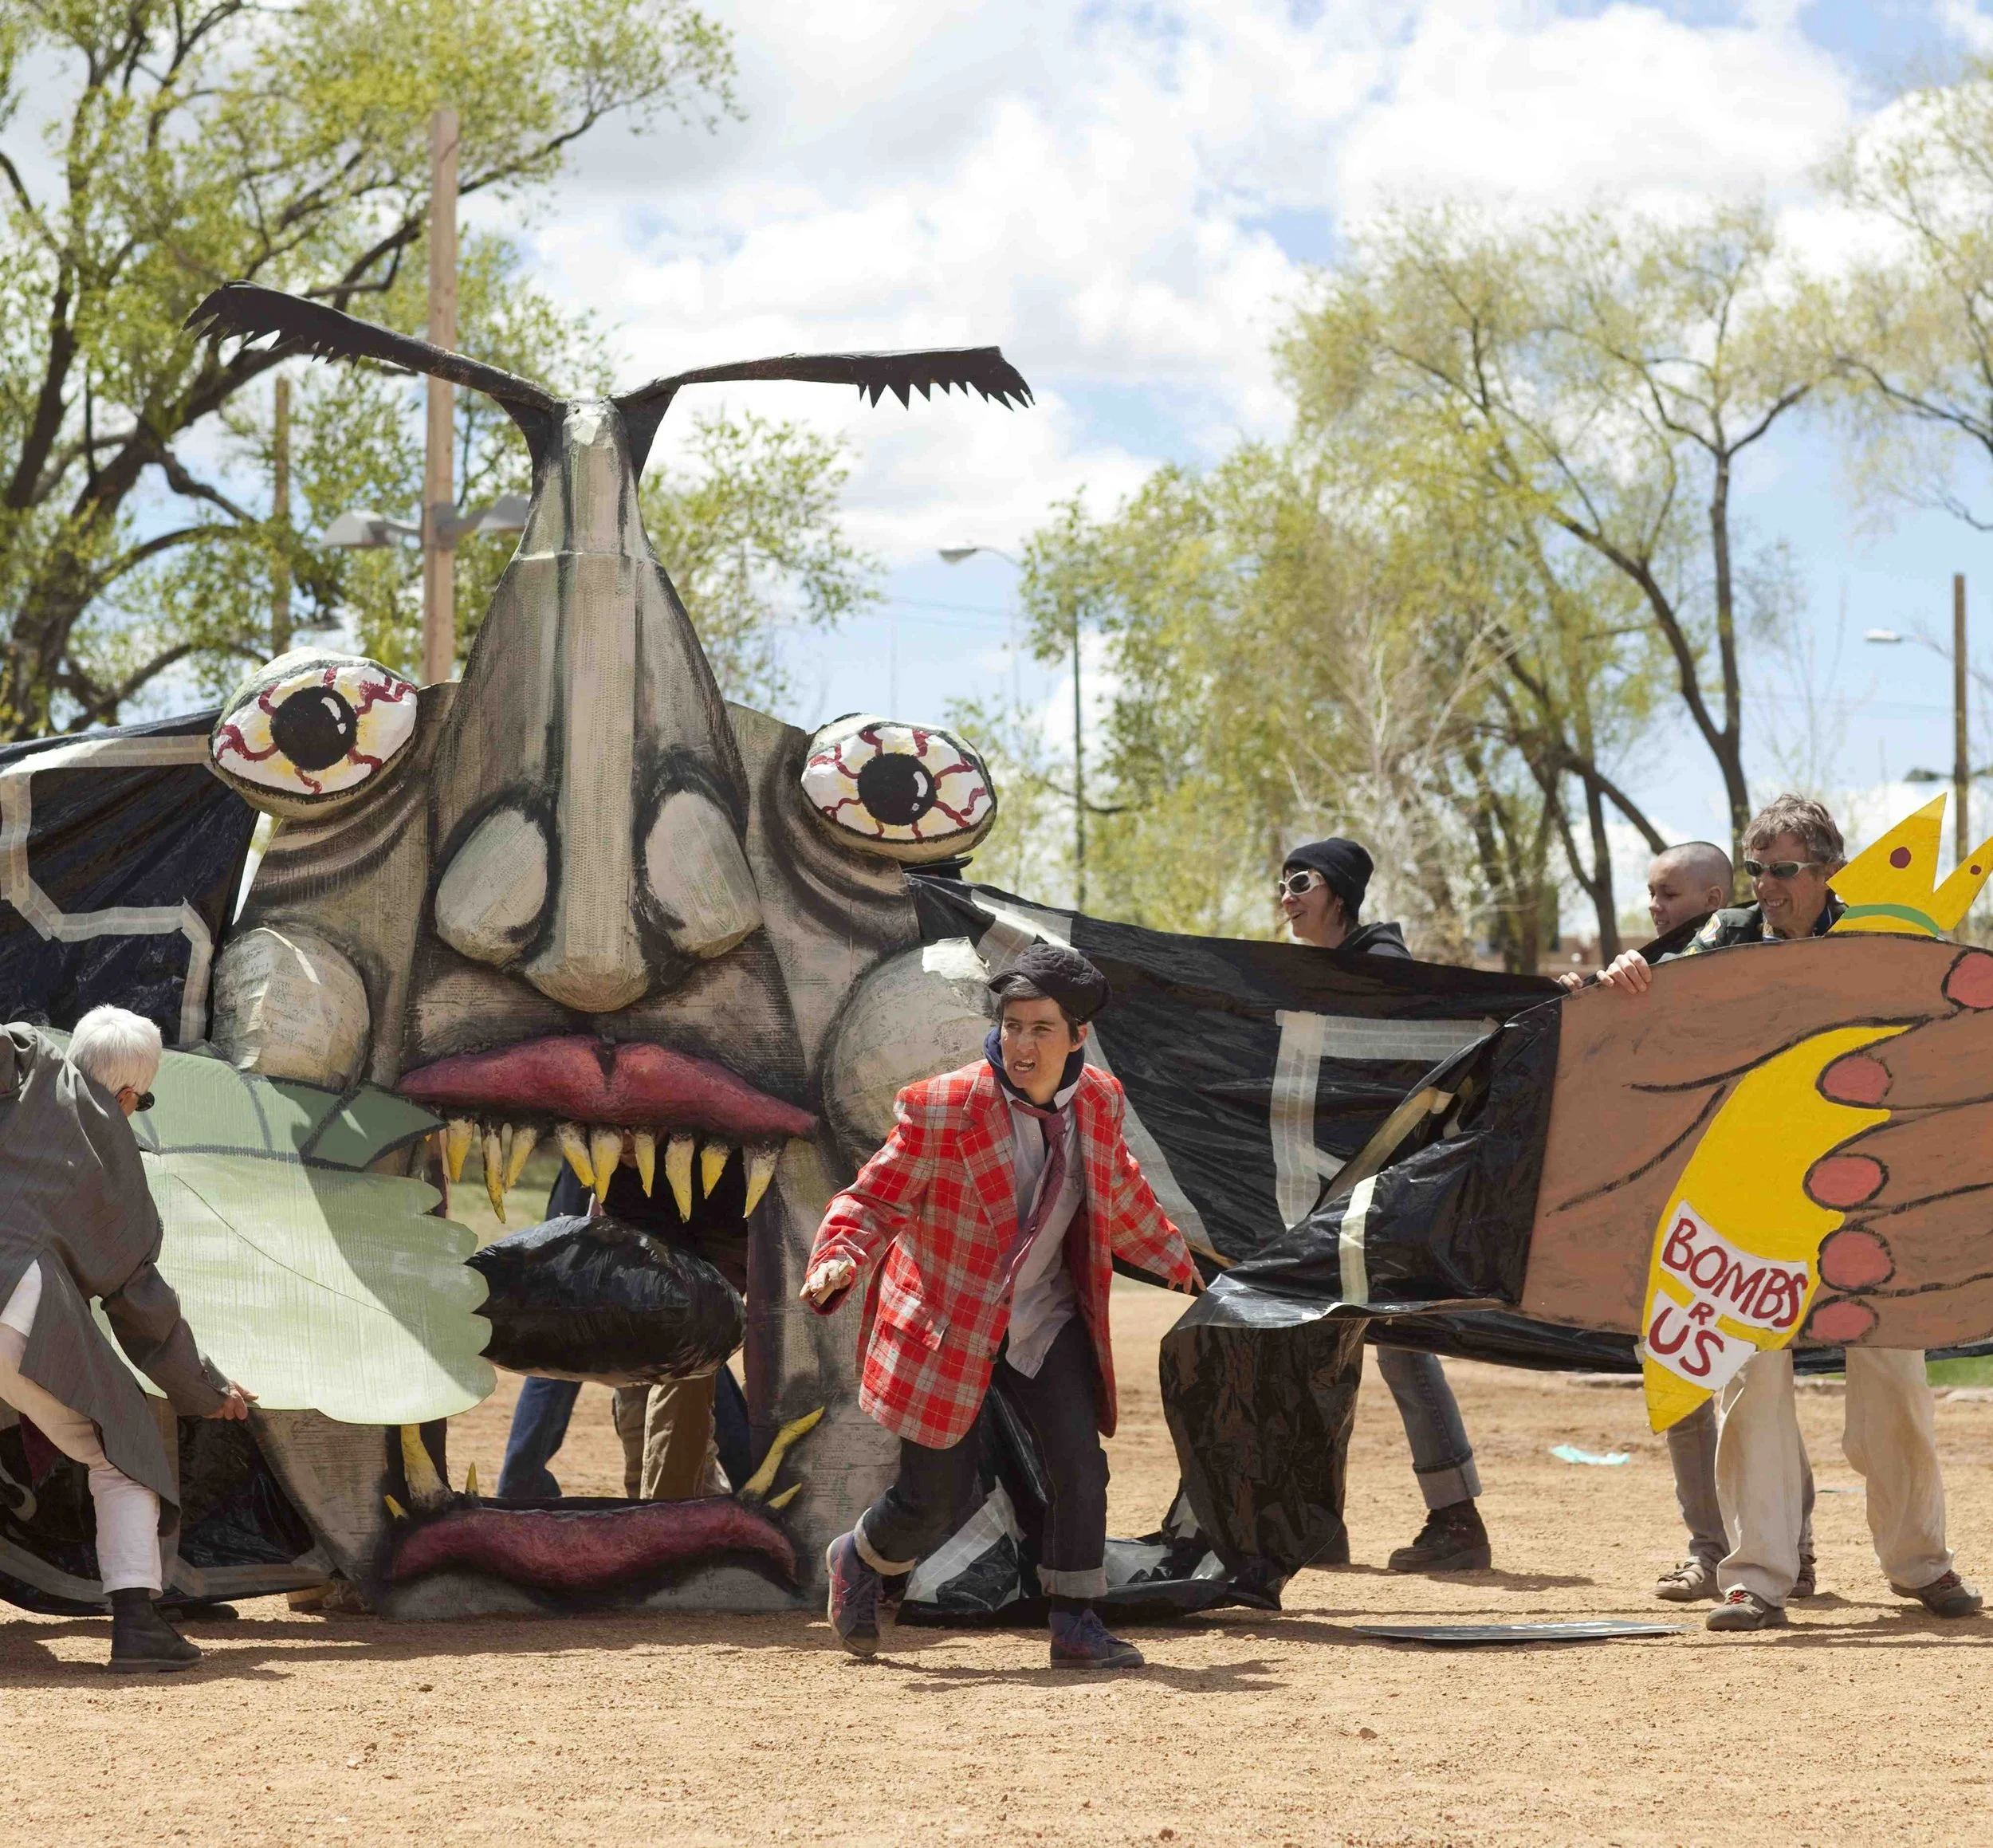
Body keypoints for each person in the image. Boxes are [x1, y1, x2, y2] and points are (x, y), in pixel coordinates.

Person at [1597, 795, 1980, 1632]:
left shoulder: (1883, 933)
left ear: (1829, 872)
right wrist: (1627, 974)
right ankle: (1758, 1576)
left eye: (1784, 870)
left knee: (1894, 1378)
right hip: (1748, 1203)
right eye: (1756, 870)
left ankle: (1921, 1563)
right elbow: (1652, 1009)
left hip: (1868, 1195)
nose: (1765, 887)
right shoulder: (1721, 940)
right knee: (1748, 1377)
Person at [802, 943, 1201, 1669]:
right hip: (948, 1321)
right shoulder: (945, 1107)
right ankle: (858, 1559)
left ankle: (1077, 1623)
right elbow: (872, 1199)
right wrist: (840, 1256)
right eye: (1012, 1026)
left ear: (1078, 1036)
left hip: (1044, 1319)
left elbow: (1122, 1193)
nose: (1020, 1044)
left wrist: (1181, 1264)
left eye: (1041, 1029)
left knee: (1081, 1464)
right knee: (937, 1498)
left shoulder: (1100, 1103)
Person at [1563, 843, 1820, 1602]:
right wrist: (1596, 988)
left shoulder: (1762, 960)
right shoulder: (1652, 975)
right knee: (1680, 1371)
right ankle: (1710, 1550)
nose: (1655, 910)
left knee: (1756, 1385)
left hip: (1751, 1209)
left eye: (1668, 895)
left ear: (1713, 901)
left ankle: (1791, 1548)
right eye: (1650, 895)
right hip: (1671, 1205)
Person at [0, 1006, 255, 1670]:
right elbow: (142, 1309)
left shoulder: (25, 1059)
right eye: (141, 1101)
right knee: (124, 1449)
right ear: (125, 1095)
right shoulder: (123, 1172)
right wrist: (209, 1389)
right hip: (15, 1303)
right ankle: (139, 1625)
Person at [1280, 838, 1490, 1573]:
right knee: (1321, 1344)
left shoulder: (1387, 971)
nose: (1286, 896)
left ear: (1337, 890)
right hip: (1328, 1190)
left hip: (1396, 1192)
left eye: (1300, 881)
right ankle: (1319, 1524)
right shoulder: (1314, 973)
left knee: (1403, 1348)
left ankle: (1457, 1520)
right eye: (1280, 883)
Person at [497, 1163, 751, 1500]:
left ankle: (672, 1519)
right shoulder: (609, 1157)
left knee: (679, 1390)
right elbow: (598, 1214)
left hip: (693, 1271)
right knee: (637, 1408)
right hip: (639, 1276)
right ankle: (669, 1505)